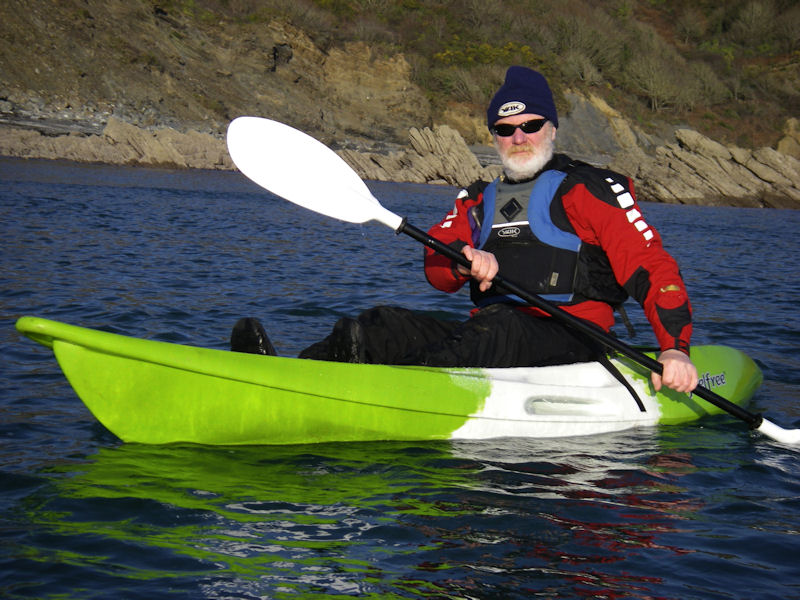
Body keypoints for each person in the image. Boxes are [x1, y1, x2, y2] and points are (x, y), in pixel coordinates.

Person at [232, 65, 698, 394]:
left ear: (552, 129)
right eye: (505, 128)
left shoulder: (589, 189)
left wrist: (674, 349)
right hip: (491, 330)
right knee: (379, 324)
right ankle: (288, 379)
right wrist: (464, 261)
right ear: (493, 135)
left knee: (493, 333)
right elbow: (437, 266)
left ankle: (376, 392)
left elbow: (652, 266)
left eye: (531, 125)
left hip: (572, 337)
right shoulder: (477, 198)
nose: (519, 138)